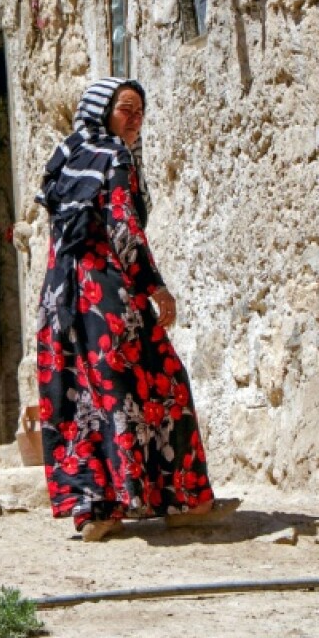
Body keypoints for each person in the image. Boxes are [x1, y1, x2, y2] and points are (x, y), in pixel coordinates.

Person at [35, 76, 234, 541]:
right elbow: (123, 227)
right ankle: (184, 500)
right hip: (105, 295)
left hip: (59, 301)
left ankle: (95, 510)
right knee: (163, 382)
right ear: (102, 112)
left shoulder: (64, 158)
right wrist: (156, 288)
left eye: (140, 111)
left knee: (79, 395)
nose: (135, 119)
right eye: (126, 109)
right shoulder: (114, 156)